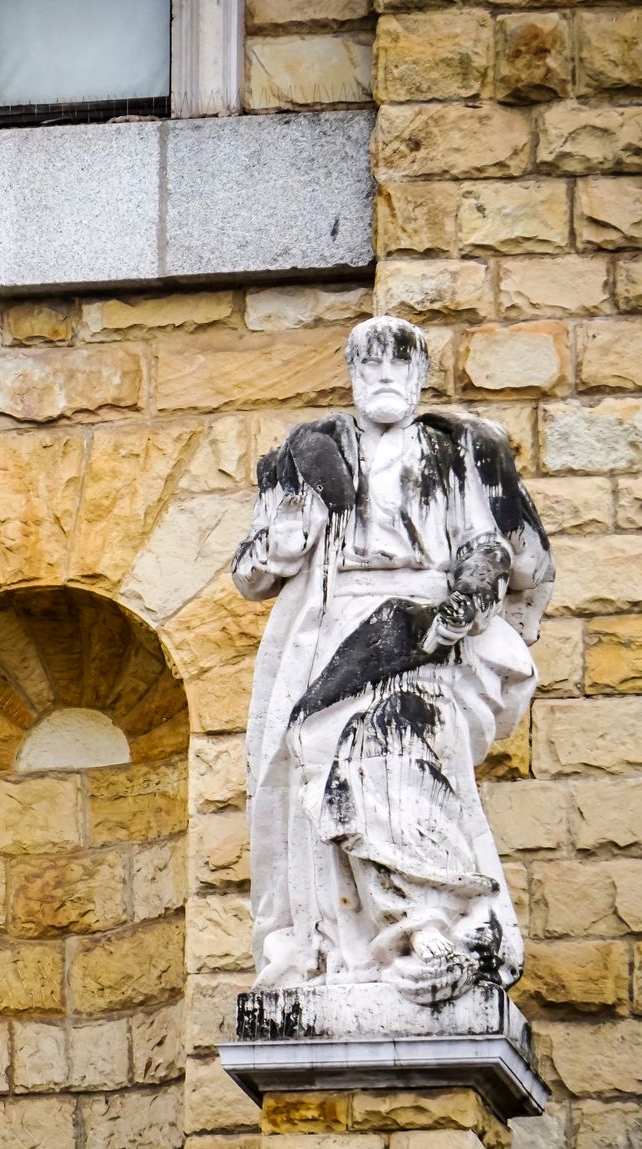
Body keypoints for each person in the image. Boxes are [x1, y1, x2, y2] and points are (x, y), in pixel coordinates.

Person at [234, 316, 554, 1006]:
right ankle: (333, 950)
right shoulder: (312, 452)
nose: (384, 378)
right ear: (353, 378)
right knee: (312, 763)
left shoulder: (451, 453)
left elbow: (490, 545)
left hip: (424, 628)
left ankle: (430, 921)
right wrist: (287, 528)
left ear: (417, 378)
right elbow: (253, 571)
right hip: (327, 626)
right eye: (370, 367)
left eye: (398, 367)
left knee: (394, 743)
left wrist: (463, 604)